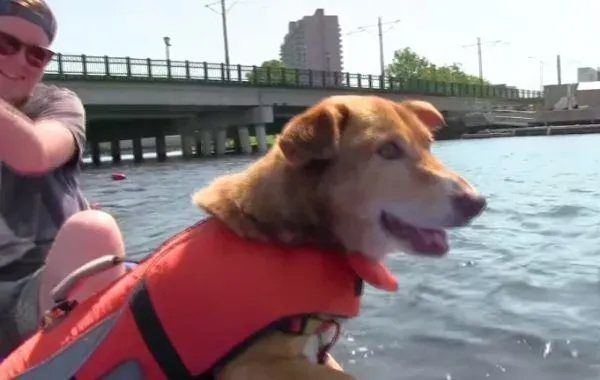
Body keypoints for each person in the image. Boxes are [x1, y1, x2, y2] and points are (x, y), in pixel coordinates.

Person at [0, 0, 126, 356]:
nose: (19, 62)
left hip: (41, 288)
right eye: (5, 44)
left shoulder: (56, 103)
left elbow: (35, 154)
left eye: (36, 55)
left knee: (94, 229)